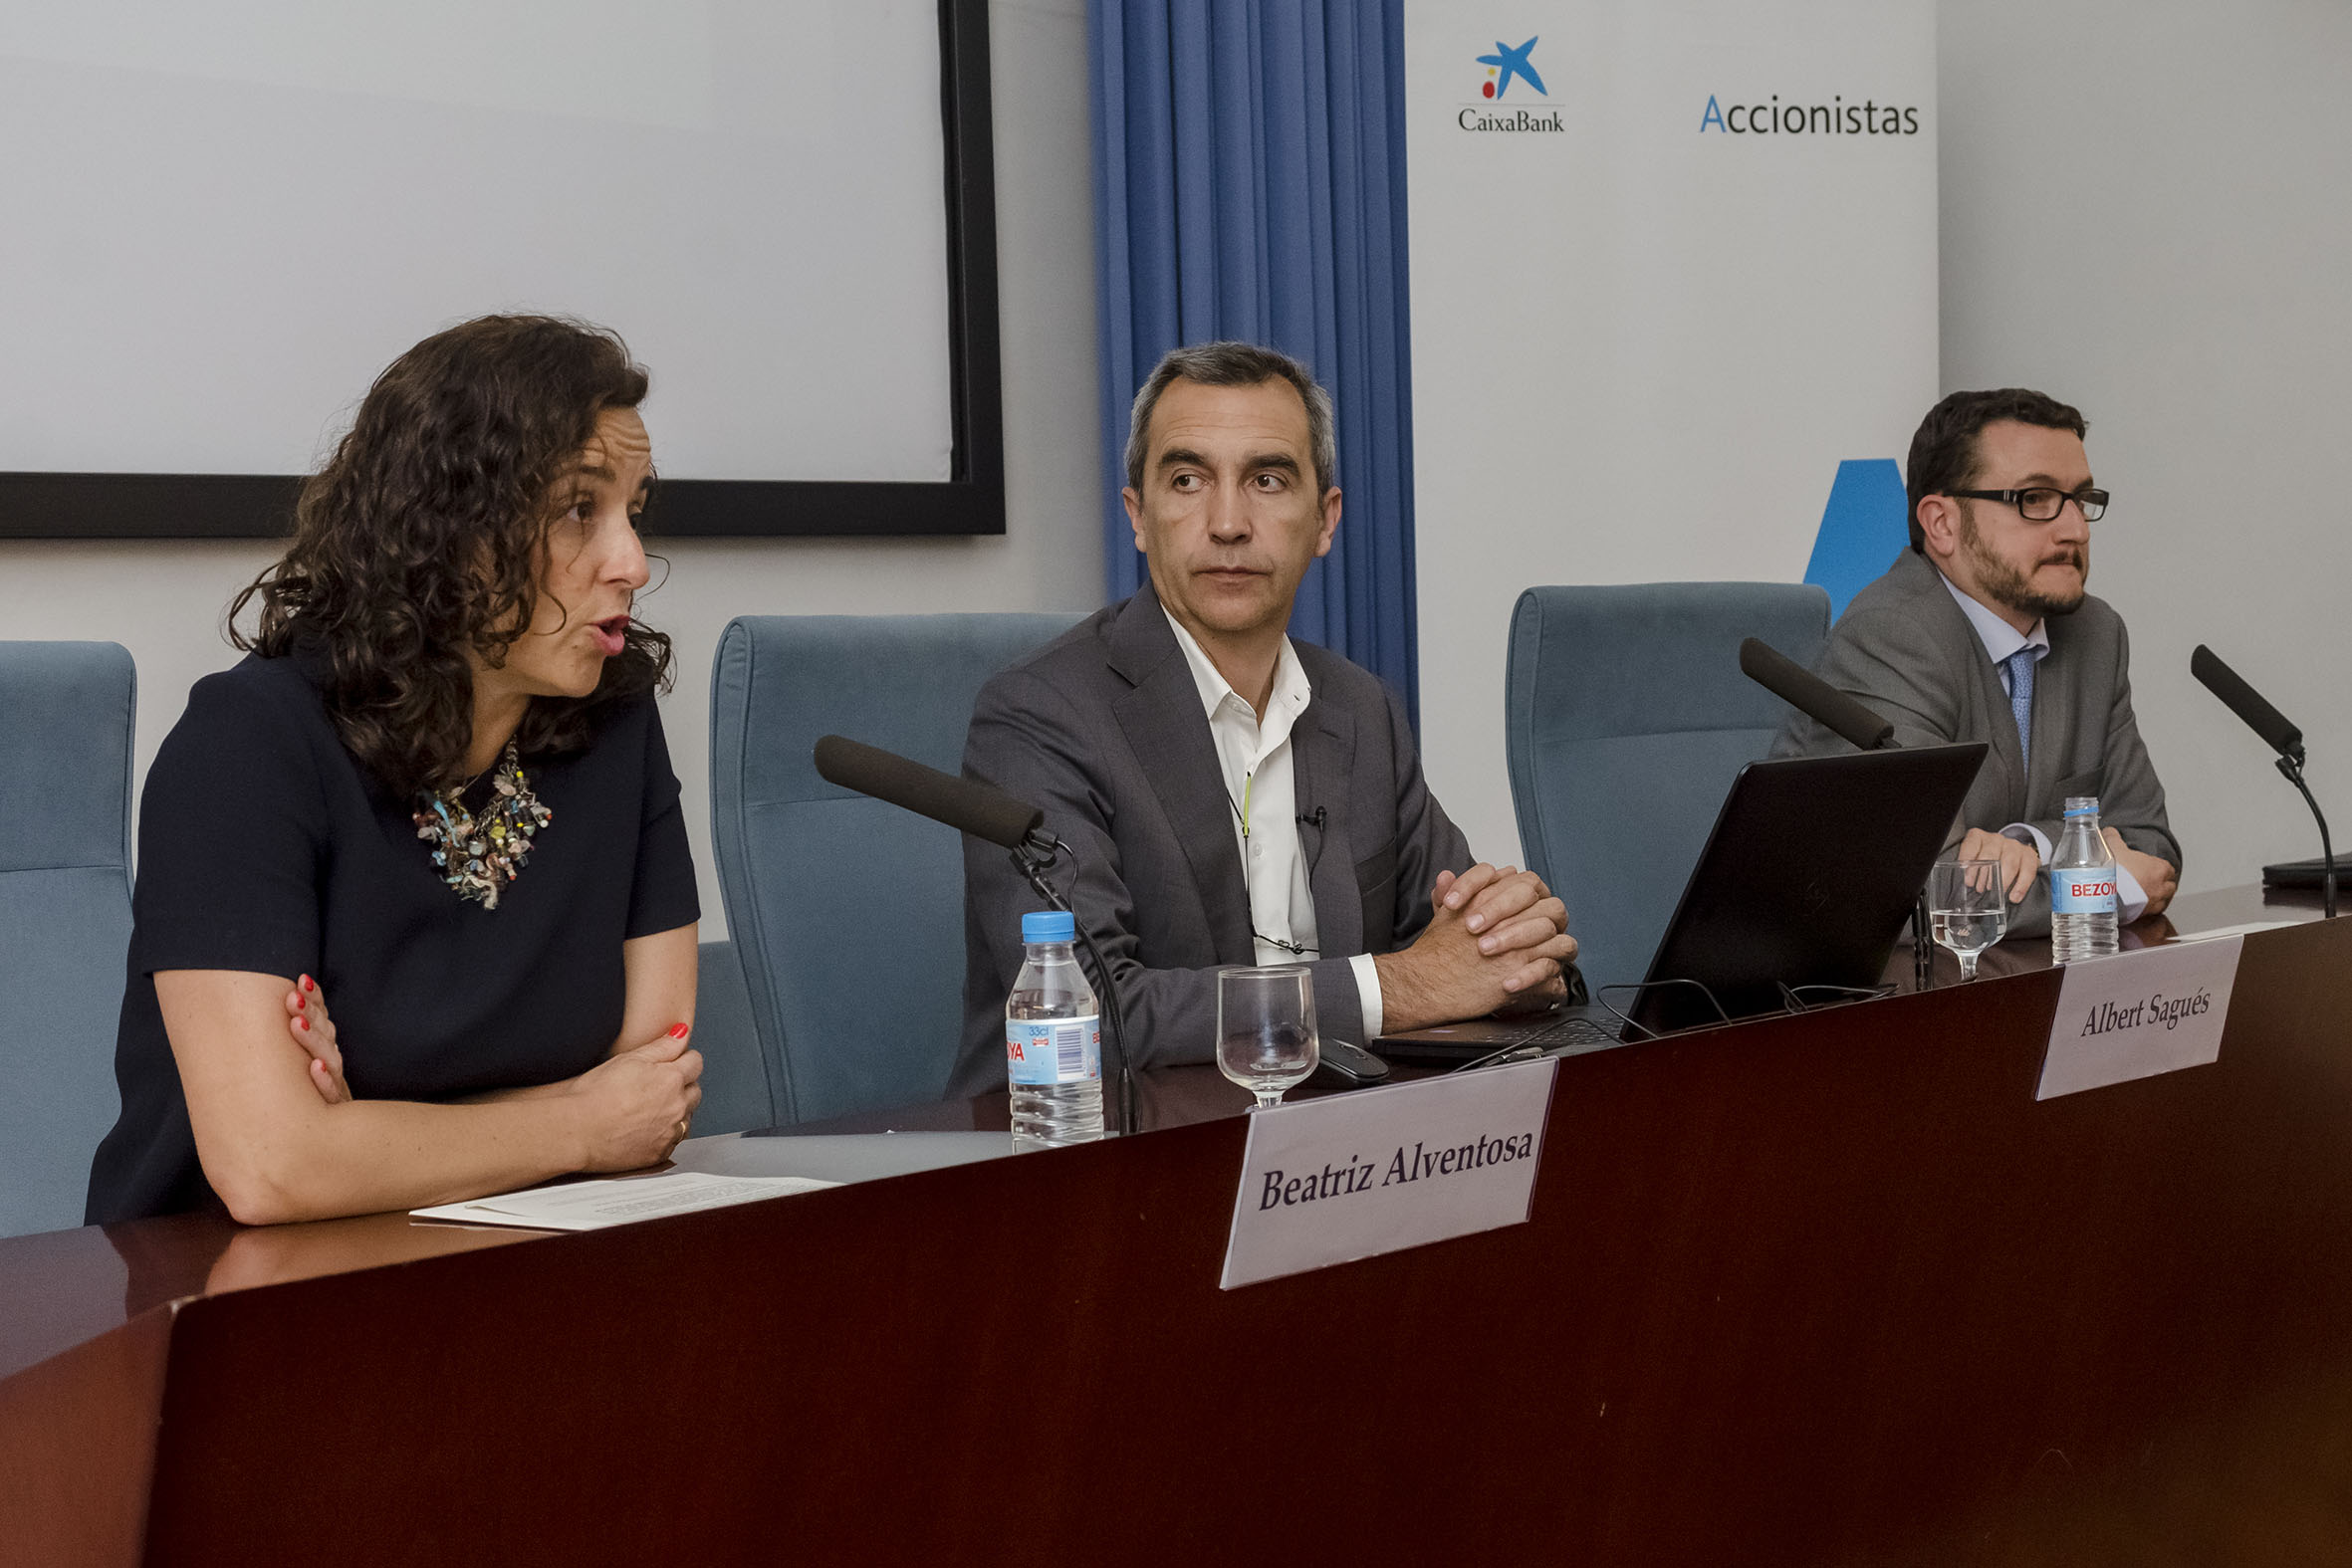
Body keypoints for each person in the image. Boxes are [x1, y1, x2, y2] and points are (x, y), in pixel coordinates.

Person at [86, 316, 705, 1226]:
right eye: (581, 510)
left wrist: (369, 1138)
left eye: (634, 510)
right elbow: (272, 1168)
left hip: (524, 1277)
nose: (634, 564)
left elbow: (653, 1098)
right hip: (225, 1304)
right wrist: (575, 1122)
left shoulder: (612, 723)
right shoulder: (246, 747)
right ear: (455, 529)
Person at [949, 341, 1580, 1097]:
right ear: (1139, 515)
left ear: (1325, 520)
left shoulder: (1360, 708)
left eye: (1268, 480)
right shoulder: (1039, 715)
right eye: (1187, 479)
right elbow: (1092, 1012)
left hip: (1328, 1155)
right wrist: (1400, 987)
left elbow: (1467, 945)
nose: (1227, 523)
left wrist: (1520, 955)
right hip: (1097, 1166)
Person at [1769, 387, 2180, 936]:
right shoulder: (1891, 636)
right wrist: (2109, 880)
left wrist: (2027, 844)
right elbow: (1920, 893)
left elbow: (2151, 846)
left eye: (2081, 500)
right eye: (2035, 499)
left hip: (2020, 985)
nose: (2075, 529)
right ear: (1942, 524)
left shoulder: (2095, 635)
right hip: (1856, 1003)